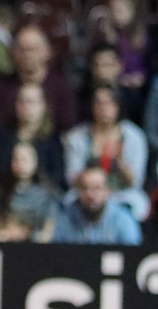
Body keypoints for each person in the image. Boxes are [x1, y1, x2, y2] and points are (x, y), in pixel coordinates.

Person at [63, 84, 150, 220]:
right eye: (99, 103)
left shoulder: (134, 136)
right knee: (67, 201)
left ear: (118, 106)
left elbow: (136, 181)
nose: (104, 108)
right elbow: (72, 178)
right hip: (88, 192)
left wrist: (119, 162)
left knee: (139, 205)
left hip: (121, 192)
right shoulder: (78, 136)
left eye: (109, 103)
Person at [0, 24, 79, 134]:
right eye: (21, 49)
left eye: (32, 49)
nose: (27, 54)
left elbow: (67, 126)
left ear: (47, 52)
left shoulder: (62, 86)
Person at [0, 82, 66, 192]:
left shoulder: (52, 142)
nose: (25, 106)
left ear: (42, 105)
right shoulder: (1, 139)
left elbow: (56, 178)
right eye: (21, 101)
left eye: (31, 102)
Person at [50, 167, 142, 245]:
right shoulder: (66, 219)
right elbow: (56, 253)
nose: (90, 194)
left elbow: (132, 255)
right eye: (85, 188)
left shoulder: (123, 220)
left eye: (97, 188)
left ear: (107, 190)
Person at [0, 141, 58, 240]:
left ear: (34, 162)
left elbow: (48, 229)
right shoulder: (0, 193)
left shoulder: (47, 195)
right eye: (15, 160)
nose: (19, 164)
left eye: (24, 159)